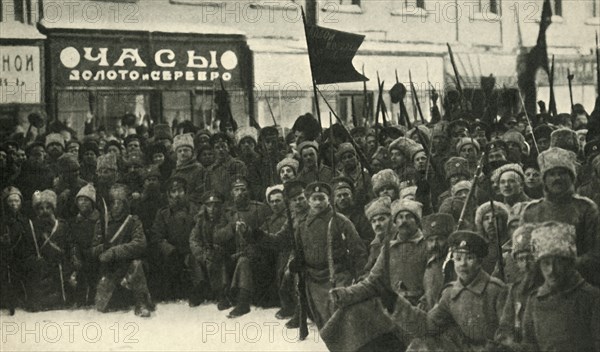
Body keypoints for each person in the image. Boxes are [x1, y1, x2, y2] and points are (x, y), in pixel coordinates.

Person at [390, 230, 507, 351]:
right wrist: (397, 304)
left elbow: (507, 335)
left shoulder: (495, 290)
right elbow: (428, 325)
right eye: (458, 258)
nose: (463, 264)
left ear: (479, 262)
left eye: (470, 258)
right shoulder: (450, 293)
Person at [520, 147, 600, 286]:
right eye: (552, 174)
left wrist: (567, 266)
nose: (557, 178)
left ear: (571, 177)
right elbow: (525, 252)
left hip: (580, 282)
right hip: (540, 283)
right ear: (544, 180)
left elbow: (595, 251)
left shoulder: (586, 208)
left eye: (562, 173)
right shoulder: (531, 211)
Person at [519, 221, 600, 351]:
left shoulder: (592, 298)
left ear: (570, 263)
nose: (551, 270)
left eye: (559, 263)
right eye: (546, 263)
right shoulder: (534, 301)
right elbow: (530, 345)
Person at [92, 184, 153, 317]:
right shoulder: (102, 223)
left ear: (125, 204)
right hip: (111, 268)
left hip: (129, 267)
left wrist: (114, 251)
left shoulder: (133, 221)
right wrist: (103, 249)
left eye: (119, 202)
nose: (116, 206)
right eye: (113, 202)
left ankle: (141, 303)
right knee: (101, 306)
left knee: (137, 265)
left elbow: (140, 244)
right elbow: (94, 249)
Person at [149, 177, 199, 301]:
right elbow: (156, 235)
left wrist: (193, 249)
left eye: (180, 190)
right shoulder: (163, 213)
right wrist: (170, 250)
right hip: (172, 254)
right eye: (173, 191)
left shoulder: (196, 210)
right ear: (169, 194)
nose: (177, 195)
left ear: (186, 192)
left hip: (192, 251)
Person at [188, 191, 236, 309]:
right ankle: (200, 288)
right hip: (206, 253)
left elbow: (224, 236)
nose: (212, 209)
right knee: (192, 258)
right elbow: (193, 239)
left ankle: (223, 294)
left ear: (221, 206)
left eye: (216, 205)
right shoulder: (200, 221)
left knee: (219, 257)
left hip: (224, 254)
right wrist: (202, 254)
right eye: (209, 205)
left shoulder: (227, 219)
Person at [27, 190, 71, 311]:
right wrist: (34, 260)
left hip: (58, 267)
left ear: (53, 209)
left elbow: (68, 245)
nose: (45, 211)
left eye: (48, 208)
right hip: (40, 268)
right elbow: (28, 249)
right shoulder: (32, 227)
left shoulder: (62, 225)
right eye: (41, 208)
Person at [69, 184, 100, 307]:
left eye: (86, 200)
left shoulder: (99, 220)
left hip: (95, 255)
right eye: (80, 200)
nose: (82, 203)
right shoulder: (75, 222)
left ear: (92, 202)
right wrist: (74, 255)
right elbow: (72, 241)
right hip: (80, 256)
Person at [419, 213, 455, 312]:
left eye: (440, 239)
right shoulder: (430, 264)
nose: (434, 245)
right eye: (430, 240)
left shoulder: (454, 264)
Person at [332, 176, 375, 247]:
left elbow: (369, 239)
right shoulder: (332, 218)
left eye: (346, 195)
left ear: (351, 196)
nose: (342, 198)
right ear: (334, 199)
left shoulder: (361, 217)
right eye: (339, 196)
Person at [171, 133, 206, 205]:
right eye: (179, 151)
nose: (182, 153)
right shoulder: (175, 171)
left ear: (192, 152)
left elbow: (200, 191)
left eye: (186, 150)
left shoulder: (198, 169)